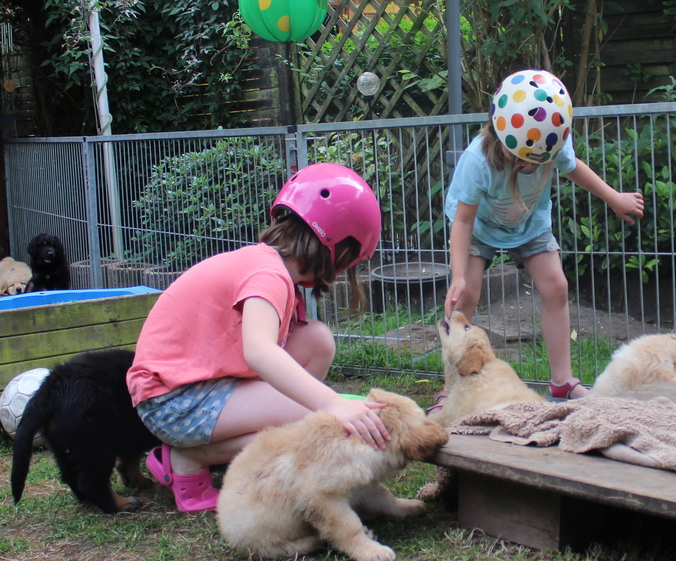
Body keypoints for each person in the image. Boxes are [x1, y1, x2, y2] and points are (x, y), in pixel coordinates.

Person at [127, 163, 391, 514]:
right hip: (175, 402)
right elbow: (260, 351)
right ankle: (189, 458)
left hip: (191, 389)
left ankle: (246, 450)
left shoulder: (269, 267)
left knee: (317, 340)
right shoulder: (269, 274)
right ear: (340, 248)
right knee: (311, 417)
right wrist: (334, 404)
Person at [442, 69, 645, 401]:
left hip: (529, 225)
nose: (530, 168)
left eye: (538, 162)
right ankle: (451, 388)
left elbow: (574, 168)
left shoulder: (550, 140)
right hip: (479, 227)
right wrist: (459, 276)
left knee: (556, 286)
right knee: (466, 297)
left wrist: (613, 198)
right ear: (501, 136)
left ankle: (562, 381)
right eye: (522, 159)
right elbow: (463, 222)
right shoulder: (476, 161)